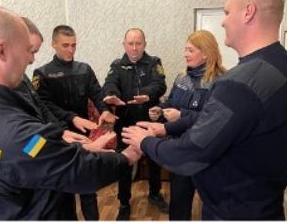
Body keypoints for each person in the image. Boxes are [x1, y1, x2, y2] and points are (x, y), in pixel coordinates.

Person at [122, 0, 287, 220]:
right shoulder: (280, 61)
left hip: (235, 212)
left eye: (227, 12)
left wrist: (145, 141)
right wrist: (165, 126)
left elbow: (191, 152)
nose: (223, 21)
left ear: (248, 12)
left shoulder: (237, 83)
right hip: (262, 204)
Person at [0, 4, 142, 220]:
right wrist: (126, 158)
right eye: (28, 50)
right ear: (1, 50)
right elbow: (73, 168)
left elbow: (34, 150)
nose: (31, 59)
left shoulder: (13, 127)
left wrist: (72, 144)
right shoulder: (21, 137)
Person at [33, 25, 116, 220]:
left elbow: (97, 92)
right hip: (59, 135)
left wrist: (104, 110)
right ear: (54, 44)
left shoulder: (84, 69)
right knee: (64, 190)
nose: (70, 50)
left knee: (88, 186)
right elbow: (44, 106)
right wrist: (70, 118)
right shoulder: (42, 73)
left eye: (74, 45)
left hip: (85, 134)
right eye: (65, 45)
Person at [148, 30, 225, 220]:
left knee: (213, 206)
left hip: (209, 154)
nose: (185, 54)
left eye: (190, 50)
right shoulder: (181, 78)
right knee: (179, 205)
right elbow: (170, 103)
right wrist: (159, 109)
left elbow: (215, 120)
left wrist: (180, 115)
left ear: (206, 52)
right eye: (185, 49)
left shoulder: (221, 82)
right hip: (181, 150)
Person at [102, 28, 168, 220]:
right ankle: (124, 202)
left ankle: (155, 194)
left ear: (144, 44)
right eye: (130, 44)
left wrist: (147, 94)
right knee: (125, 164)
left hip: (150, 123)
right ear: (124, 45)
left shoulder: (154, 62)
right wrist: (112, 95)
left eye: (138, 43)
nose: (134, 48)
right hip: (126, 124)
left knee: (154, 161)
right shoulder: (117, 65)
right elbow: (109, 84)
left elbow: (160, 84)